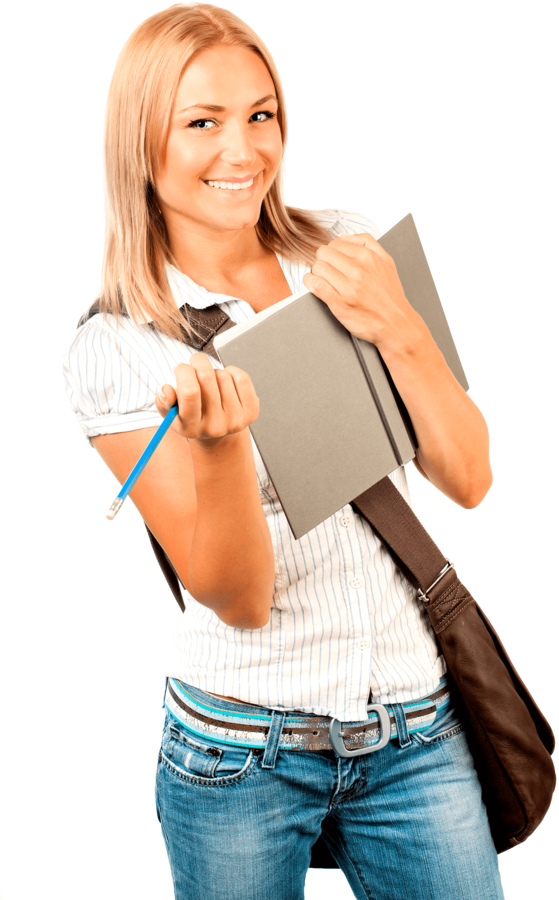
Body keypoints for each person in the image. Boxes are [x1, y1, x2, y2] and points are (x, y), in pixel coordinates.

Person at [60, 3, 504, 898]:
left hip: (416, 727)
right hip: (236, 752)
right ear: (139, 143)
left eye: (261, 115)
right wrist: (220, 449)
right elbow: (239, 597)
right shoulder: (113, 350)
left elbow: (468, 479)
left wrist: (399, 329)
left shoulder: (348, 244)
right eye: (202, 122)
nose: (244, 151)